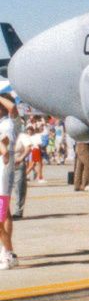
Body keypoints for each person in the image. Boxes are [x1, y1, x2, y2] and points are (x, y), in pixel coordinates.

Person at [0, 103, 19, 268]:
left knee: (1, 216)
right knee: (4, 214)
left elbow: (4, 149)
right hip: (2, 174)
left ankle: (9, 253)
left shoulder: (8, 124)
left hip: (2, 175)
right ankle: (6, 251)